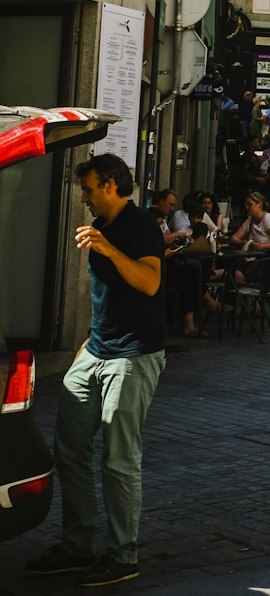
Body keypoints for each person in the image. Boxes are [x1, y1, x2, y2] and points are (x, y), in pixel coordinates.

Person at [26, 154, 165, 586]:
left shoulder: (139, 225)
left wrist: (109, 249)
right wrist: (87, 341)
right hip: (96, 351)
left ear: (109, 185)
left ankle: (123, 555)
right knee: (70, 450)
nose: (83, 198)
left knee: (119, 461)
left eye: (87, 189)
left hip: (134, 355)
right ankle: (76, 546)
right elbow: (106, 295)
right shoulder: (101, 226)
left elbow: (149, 282)